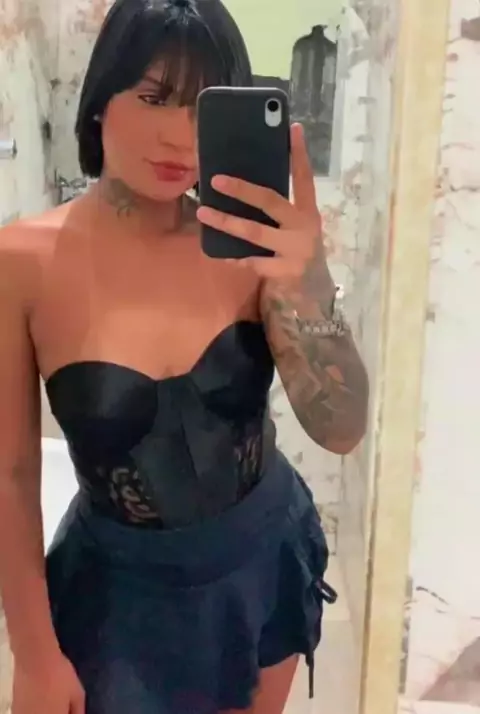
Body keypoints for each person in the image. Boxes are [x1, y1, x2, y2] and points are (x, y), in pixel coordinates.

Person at [0, 0, 369, 712]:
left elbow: (341, 429)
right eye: (153, 97)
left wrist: (311, 283)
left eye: (205, 107)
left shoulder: (250, 253)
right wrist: (35, 652)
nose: (180, 134)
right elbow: (11, 475)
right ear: (100, 100)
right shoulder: (20, 264)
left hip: (263, 554)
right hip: (119, 592)